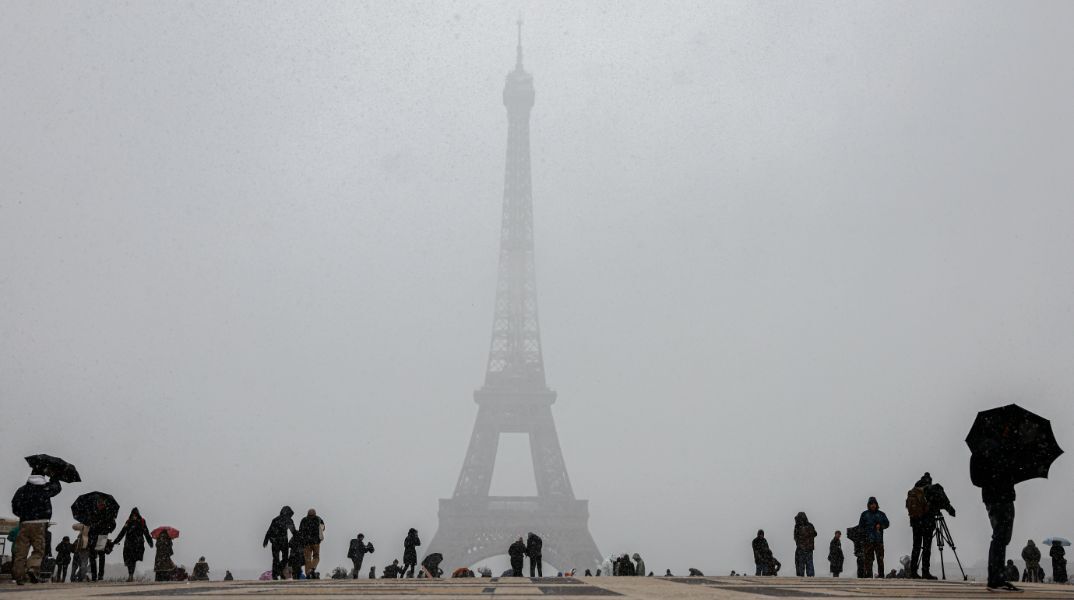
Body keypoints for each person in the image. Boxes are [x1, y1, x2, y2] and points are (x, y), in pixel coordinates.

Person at [10, 472, 62, 585]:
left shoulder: (22, 490)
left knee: (21, 551)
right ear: (42, 477)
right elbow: (57, 488)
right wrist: (54, 477)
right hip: (40, 523)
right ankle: (32, 568)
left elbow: (15, 505)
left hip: (24, 523)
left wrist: (23, 515)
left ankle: (19, 576)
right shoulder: (45, 488)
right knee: (38, 550)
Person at [907, 472, 956, 580]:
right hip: (927, 522)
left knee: (916, 546)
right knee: (926, 547)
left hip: (915, 522)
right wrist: (950, 510)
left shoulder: (914, 490)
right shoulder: (933, 488)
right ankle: (925, 572)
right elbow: (943, 502)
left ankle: (913, 572)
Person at [113, 508, 154, 582]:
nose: (134, 516)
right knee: (129, 560)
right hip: (129, 544)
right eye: (133, 515)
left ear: (137, 515)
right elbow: (122, 532)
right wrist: (115, 541)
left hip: (137, 545)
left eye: (135, 515)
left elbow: (146, 532)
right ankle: (130, 575)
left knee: (132, 560)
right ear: (131, 515)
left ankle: (130, 575)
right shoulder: (128, 522)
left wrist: (150, 542)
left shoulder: (141, 521)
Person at [263, 506, 297, 581]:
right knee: (284, 559)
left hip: (275, 541)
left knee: (276, 559)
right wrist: (298, 537)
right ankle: (278, 572)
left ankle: (276, 574)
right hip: (283, 541)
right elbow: (293, 531)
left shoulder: (275, 519)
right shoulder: (288, 520)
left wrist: (266, 539)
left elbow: (269, 531)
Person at [858, 497, 889, 578]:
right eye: (871, 504)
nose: (873, 505)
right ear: (869, 505)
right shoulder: (864, 514)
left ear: (876, 504)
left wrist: (881, 525)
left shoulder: (881, 514)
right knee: (868, 561)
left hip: (879, 541)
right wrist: (864, 537)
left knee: (880, 559)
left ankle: (881, 576)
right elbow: (860, 527)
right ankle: (869, 576)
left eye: (874, 503)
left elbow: (887, 524)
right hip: (868, 541)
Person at [298, 509, 324, 579]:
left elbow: (300, 531)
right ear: (315, 513)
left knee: (307, 559)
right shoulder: (318, 519)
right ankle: (312, 568)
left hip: (306, 543)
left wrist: (302, 540)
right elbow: (323, 528)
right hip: (316, 542)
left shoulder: (304, 520)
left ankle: (308, 574)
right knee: (316, 556)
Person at [793, 512, 818, 577]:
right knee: (809, 565)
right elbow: (815, 534)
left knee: (800, 566)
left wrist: (800, 542)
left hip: (801, 549)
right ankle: (811, 579)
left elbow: (795, 537)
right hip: (809, 549)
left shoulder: (798, 526)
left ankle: (801, 579)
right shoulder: (810, 525)